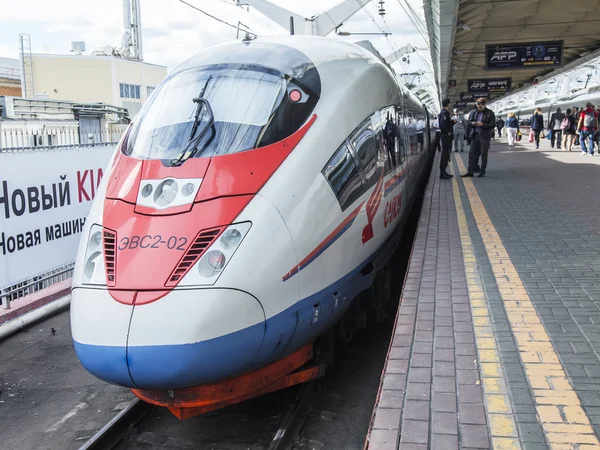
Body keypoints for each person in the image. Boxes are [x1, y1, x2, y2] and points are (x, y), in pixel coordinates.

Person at [462, 97, 495, 178]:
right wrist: (473, 123)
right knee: (472, 154)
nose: (478, 108)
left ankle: (482, 171)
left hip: (484, 136)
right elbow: (469, 121)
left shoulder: (490, 113)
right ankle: (470, 171)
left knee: (483, 154)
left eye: (480, 107)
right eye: (477, 106)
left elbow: (493, 124)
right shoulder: (474, 112)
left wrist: (483, 124)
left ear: (484, 105)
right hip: (475, 135)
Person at [438, 98, 454, 179]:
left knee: (446, 154)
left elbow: (446, 123)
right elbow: (443, 125)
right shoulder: (445, 113)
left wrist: (452, 123)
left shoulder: (444, 113)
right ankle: (442, 173)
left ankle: (444, 172)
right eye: (450, 104)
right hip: (446, 137)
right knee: (445, 154)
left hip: (445, 136)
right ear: (448, 105)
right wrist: (447, 132)